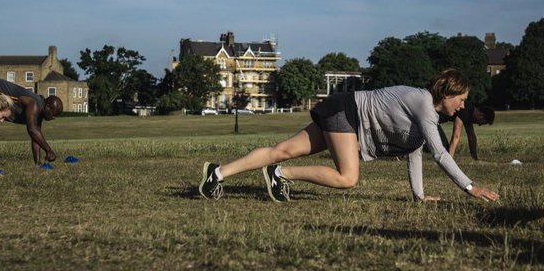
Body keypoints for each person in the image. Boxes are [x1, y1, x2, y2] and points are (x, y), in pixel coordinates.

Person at [199, 69, 500, 203]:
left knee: (283, 148)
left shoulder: (428, 116)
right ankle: (279, 174)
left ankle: (217, 172)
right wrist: (470, 187)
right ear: (445, 94)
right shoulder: (423, 103)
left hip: (344, 114)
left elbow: (414, 152)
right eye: (460, 99)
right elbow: (440, 154)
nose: (462, 106)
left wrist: (419, 196)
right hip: (346, 113)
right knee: (347, 178)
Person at [0, 78, 62, 165]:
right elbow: (32, 129)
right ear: (47, 106)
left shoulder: (39, 114)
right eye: (53, 114)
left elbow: (35, 136)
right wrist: (49, 151)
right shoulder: (34, 103)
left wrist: (37, 163)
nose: (52, 118)